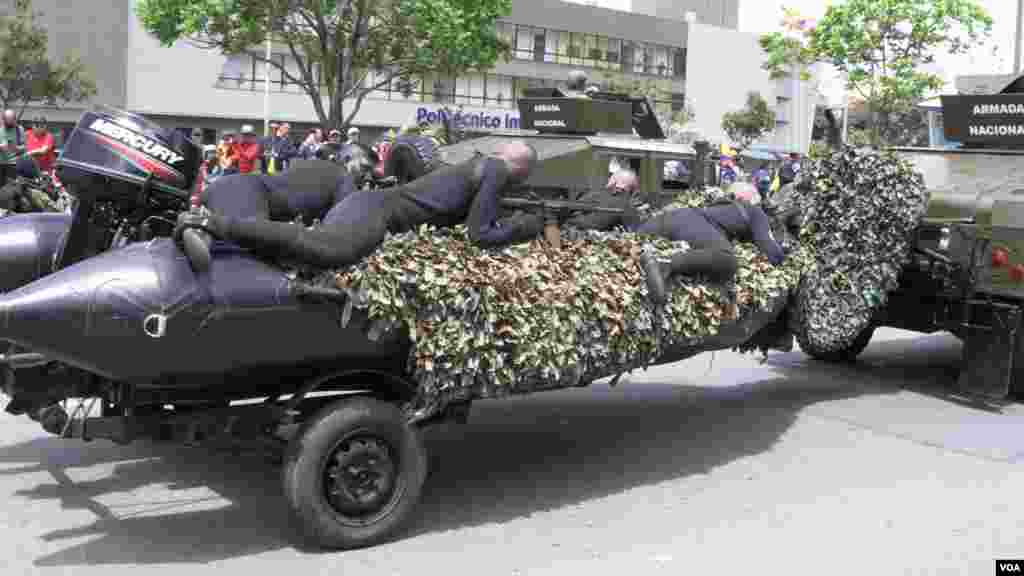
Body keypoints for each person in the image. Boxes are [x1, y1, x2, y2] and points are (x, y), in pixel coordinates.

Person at [176, 141, 539, 270]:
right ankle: (209, 224)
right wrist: (525, 225)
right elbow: (479, 234)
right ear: (521, 171)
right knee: (327, 249)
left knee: (313, 244)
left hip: (372, 206)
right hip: (377, 211)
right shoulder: (496, 170)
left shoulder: (475, 166)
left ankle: (210, 227)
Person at [636, 182, 788, 305]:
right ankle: (665, 264)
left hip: (664, 220)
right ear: (749, 199)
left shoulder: (715, 207)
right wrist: (784, 249)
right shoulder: (755, 211)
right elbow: (772, 253)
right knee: (727, 259)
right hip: (690, 222)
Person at [562, 168, 644, 232]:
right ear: (632, 188)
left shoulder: (595, 194)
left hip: (568, 229)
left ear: (612, 181)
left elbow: (570, 208)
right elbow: (636, 231)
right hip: (587, 237)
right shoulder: (626, 207)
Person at [0, 110, 25, 186]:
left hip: (13, 164)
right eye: (7, 121)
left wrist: (16, 148)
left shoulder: (19, 130)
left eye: (11, 121)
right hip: (1, 163)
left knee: (11, 188)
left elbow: (24, 147)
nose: (9, 123)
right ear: (3, 119)